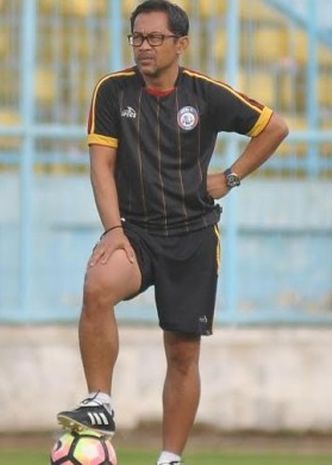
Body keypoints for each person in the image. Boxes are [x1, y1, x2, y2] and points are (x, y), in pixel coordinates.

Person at [55, 1, 289, 464]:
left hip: (193, 235)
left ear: (180, 44)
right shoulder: (113, 92)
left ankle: (169, 458)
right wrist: (113, 230)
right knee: (98, 285)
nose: (144, 47)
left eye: (155, 39)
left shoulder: (206, 95)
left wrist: (231, 176)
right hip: (137, 232)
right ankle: (99, 401)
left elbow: (274, 127)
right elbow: (100, 167)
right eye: (137, 38)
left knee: (182, 353)